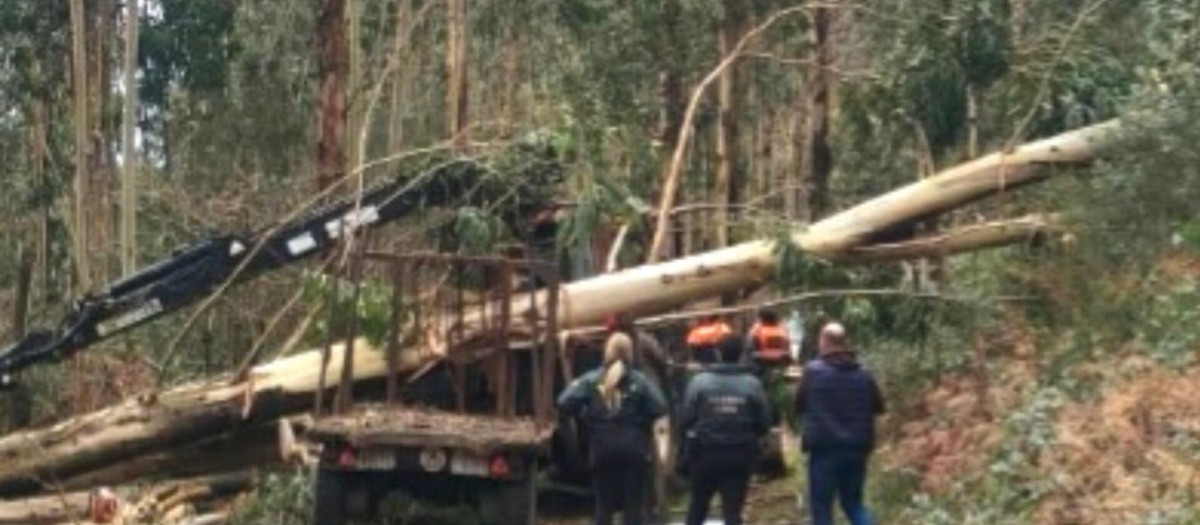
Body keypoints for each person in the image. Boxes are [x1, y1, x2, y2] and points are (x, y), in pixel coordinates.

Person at [558, 333, 668, 525]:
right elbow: (660, 406)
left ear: (606, 352)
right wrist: (640, 421)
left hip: (602, 449)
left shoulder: (591, 380)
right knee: (633, 508)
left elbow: (564, 402)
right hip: (634, 450)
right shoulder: (640, 382)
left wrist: (586, 415)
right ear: (630, 353)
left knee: (603, 508)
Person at [795, 322, 886, 525]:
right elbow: (878, 407)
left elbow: (799, 405)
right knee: (853, 503)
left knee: (821, 507)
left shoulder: (813, 372)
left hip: (824, 449)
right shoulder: (864, 374)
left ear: (824, 341)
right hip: (856, 449)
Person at [680, 334, 771, 525]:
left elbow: (686, 418)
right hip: (739, 456)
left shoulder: (699, 382)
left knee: (697, 508)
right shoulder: (752, 384)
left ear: (717, 353)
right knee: (733, 511)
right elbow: (764, 423)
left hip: (705, 455)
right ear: (740, 355)